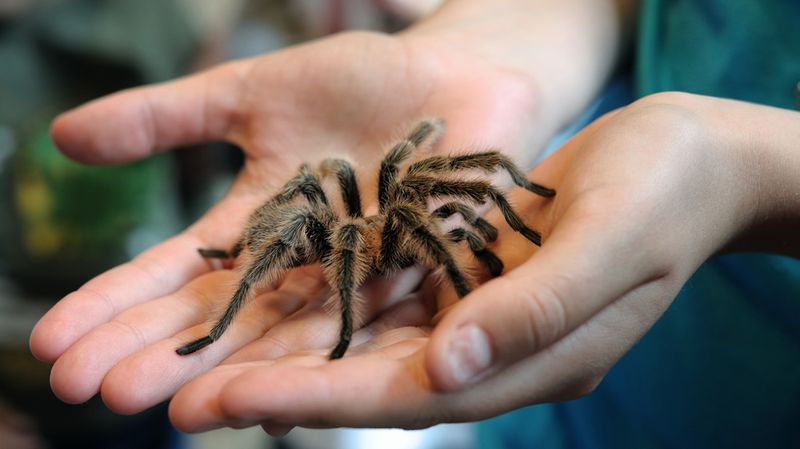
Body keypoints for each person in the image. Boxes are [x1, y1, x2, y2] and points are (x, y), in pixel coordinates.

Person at [29, 0, 800, 447]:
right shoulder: (346, 229)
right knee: (313, 190)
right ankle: (236, 277)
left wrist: (744, 178)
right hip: (530, 405)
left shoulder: (411, 212)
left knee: (429, 200)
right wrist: (502, 41)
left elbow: (462, 193)